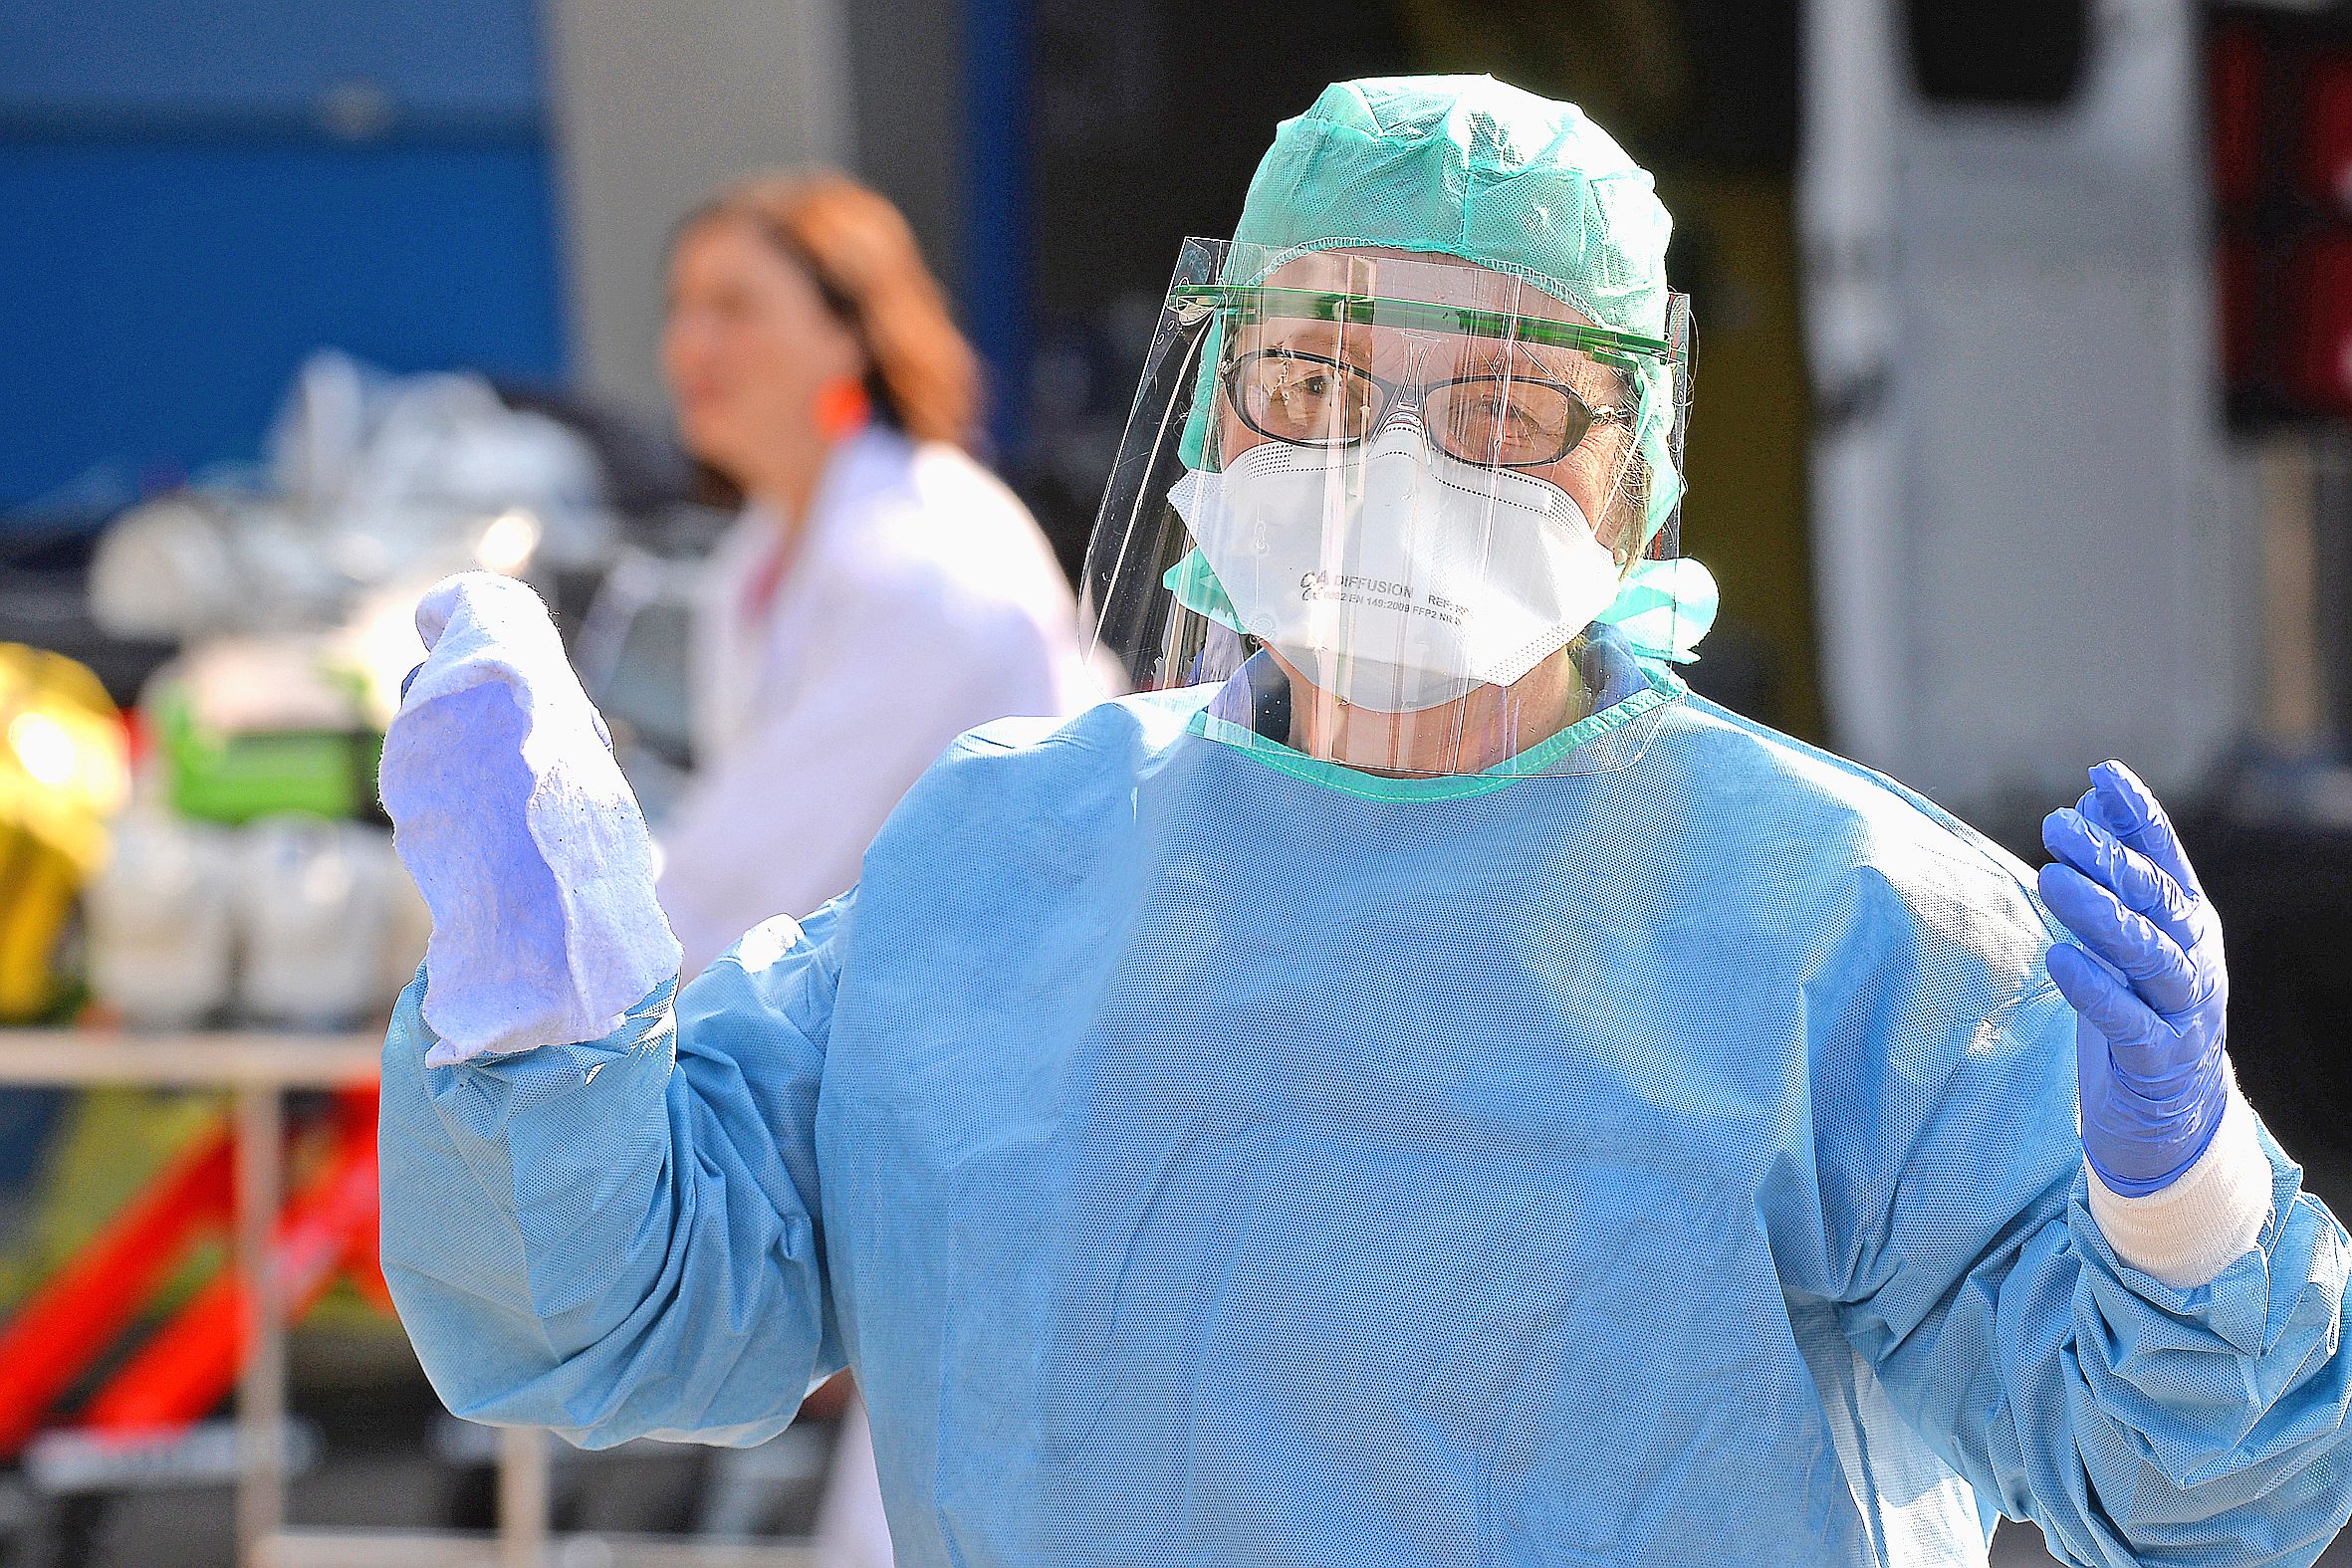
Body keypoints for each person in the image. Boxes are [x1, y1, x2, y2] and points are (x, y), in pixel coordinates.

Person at [374, 78, 2352, 1566]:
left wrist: (2175, 1201)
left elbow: (2201, 1491)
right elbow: (624, 1308)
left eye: (1496, 409)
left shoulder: (1838, 925)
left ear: (1631, 475)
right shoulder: (1005, 870)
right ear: (1217, 410)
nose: (1382, 460)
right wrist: (532, 1014)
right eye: (1312, 377)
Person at [655, 170, 1099, 975]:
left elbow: (747, 887)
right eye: (682, 308)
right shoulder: (757, 554)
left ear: (848, 336)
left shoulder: (925, 564)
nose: (692, 344)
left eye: (735, 307)